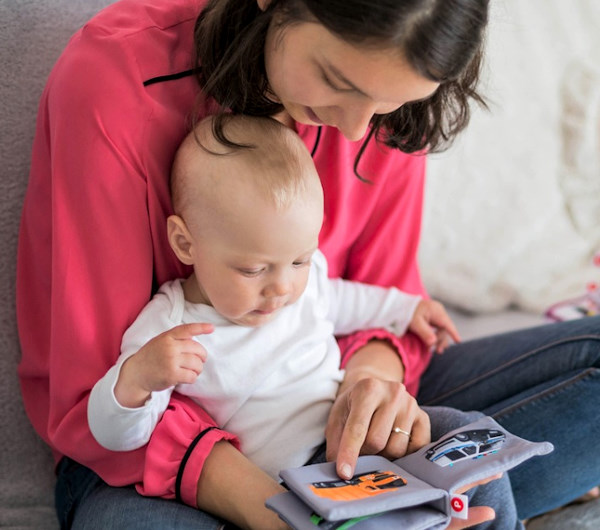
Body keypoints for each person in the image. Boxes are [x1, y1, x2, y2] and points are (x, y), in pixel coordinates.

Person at [15, 0, 599, 529]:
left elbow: (379, 296)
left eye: (394, 102)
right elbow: (101, 393)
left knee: (479, 461)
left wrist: (374, 392)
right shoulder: (115, 81)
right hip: (148, 454)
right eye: (335, 80)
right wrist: (289, 516)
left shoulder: (384, 100)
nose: (354, 129)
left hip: (325, 404)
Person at [87, 114, 461, 481]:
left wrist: (407, 309)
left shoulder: (303, 281)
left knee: (464, 432)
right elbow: (117, 437)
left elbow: (346, 300)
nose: (282, 288)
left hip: (351, 436)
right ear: (186, 244)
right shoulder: (171, 327)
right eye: (253, 270)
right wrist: (137, 379)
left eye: (300, 260)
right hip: (293, 480)